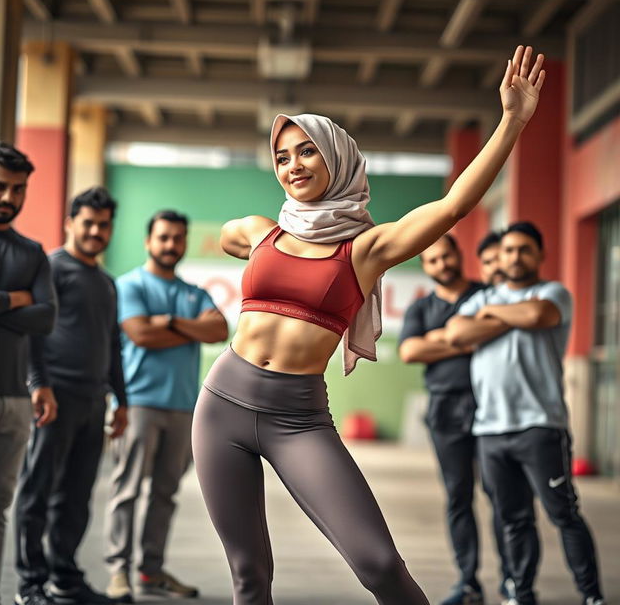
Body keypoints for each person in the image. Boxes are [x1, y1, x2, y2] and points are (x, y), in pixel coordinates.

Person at [191, 44, 546, 605]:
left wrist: (511, 122)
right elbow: (230, 236)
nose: (294, 166)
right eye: (283, 157)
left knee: (379, 564)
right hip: (220, 406)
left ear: (337, 157)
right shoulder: (261, 232)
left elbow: (452, 207)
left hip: (297, 417)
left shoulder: (365, 249)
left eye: (308, 152)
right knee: (248, 573)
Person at [446, 221, 605, 605]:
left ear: (539, 255)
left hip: (540, 426)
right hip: (491, 430)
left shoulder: (553, 293)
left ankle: (592, 596)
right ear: (499, 257)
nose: (515, 257)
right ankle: (522, 594)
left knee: (563, 514)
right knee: (513, 519)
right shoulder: (484, 297)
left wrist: (487, 320)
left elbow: (538, 316)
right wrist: (503, 316)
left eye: (524, 250)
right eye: (509, 250)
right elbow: (455, 334)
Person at [105, 210, 228, 603]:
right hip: (139, 402)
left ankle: (150, 572)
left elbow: (219, 330)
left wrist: (170, 322)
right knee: (127, 491)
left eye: (178, 238)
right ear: (148, 241)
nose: (171, 244)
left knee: (165, 494)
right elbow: (140, 334)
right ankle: (117, 572)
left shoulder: (193, 292)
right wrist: (187, 328)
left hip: (182, 408)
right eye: (163, 237)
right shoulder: (129, 286)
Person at [13, 187, 128, 605]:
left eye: (104, 225)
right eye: (89, 223)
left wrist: (122, 399)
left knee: (76, 496)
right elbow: (33, 332)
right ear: (70, 223)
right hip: (53, 397)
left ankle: (64, 576)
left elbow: (112, 343)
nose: (96, 231)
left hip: (93, 400)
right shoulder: (51, 269)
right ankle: (29, 584)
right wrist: (38, 384)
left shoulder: (106, 283)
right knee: (37, 491)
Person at [398, 234, 514, 605]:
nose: (442, 264)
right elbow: (410, 351)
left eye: (446, 256)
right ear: (425, 267)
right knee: (458, 497)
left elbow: (498, 333)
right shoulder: (421, 308)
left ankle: (513, 581)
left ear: (459, 254)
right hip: (444, 410)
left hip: (490, 406)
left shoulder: (485, 295)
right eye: (433, 261)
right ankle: (468, 582)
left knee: (500, 495)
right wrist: (462, 339)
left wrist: (440, 340)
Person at [0, 141, 57, 605]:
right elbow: (31, 309)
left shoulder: (32, 252)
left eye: (17, 189)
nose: (8, 197)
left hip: (14, 400)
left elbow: (45, 320)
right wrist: (18, 299)